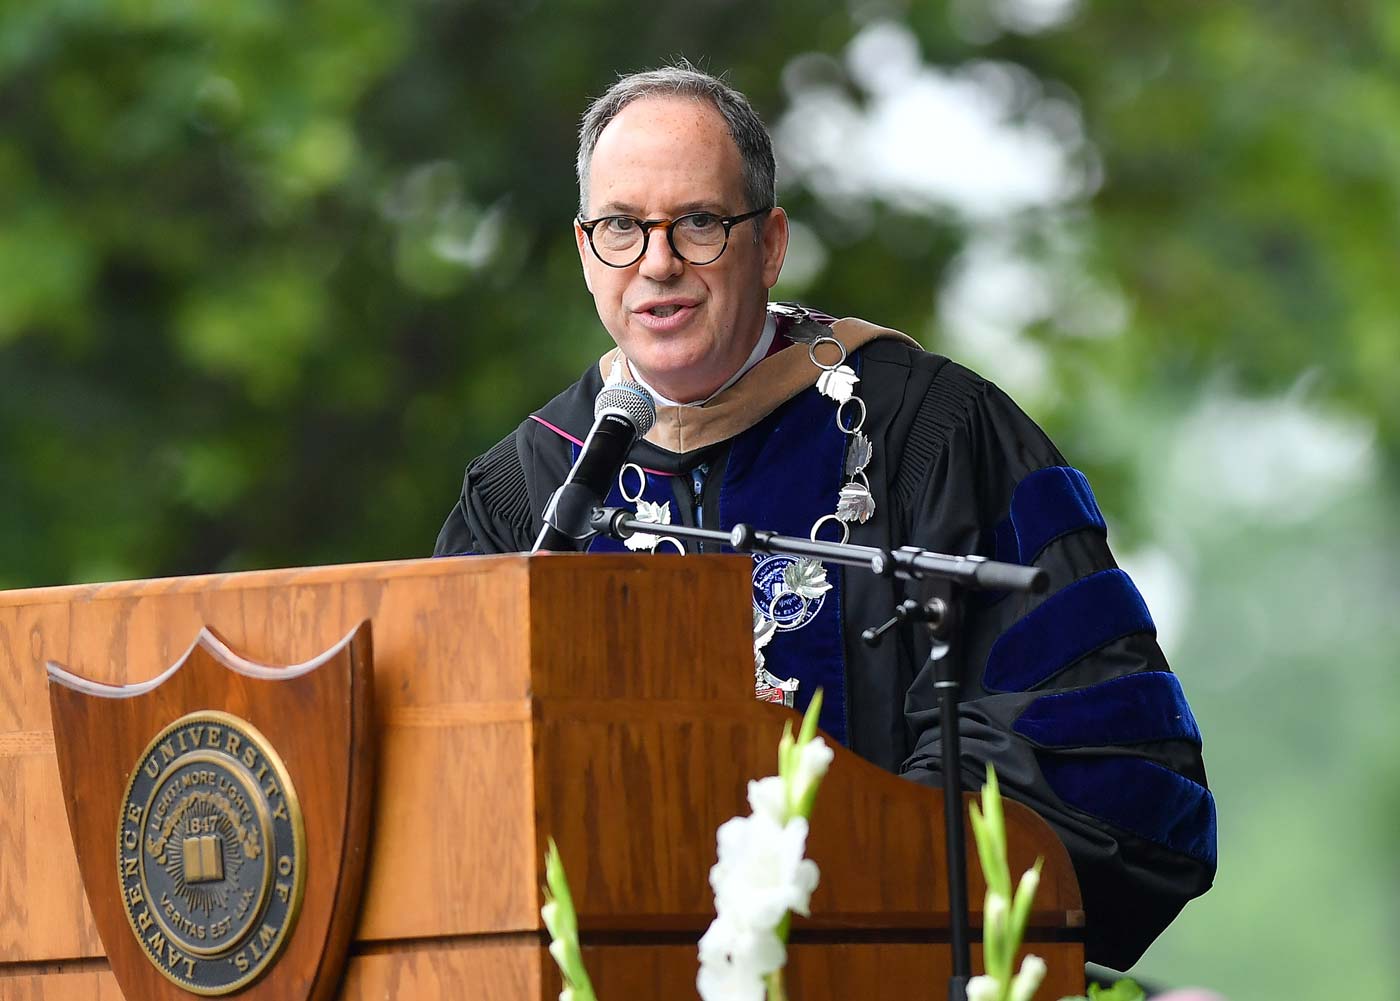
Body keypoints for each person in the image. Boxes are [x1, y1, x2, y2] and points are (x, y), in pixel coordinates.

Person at [434, 63, 1214, 970]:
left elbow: (1084, 740)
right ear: (584, 249)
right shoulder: (523, 492)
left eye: (698, 222)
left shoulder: (932, 430)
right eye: (621, 227)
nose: (657, 261)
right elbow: (460, 804)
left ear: (769, 245)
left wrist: (848, 887)